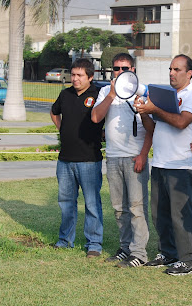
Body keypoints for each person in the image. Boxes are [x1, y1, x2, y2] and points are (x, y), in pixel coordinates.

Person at [135, 54, 192, 276]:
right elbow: (153, 127)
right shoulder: (166, 96)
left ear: (189, 73)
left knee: (181, 214)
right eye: (170, 69)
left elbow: (181, 122)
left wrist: (154, 110)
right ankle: (168, 252)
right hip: (161, 162)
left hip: (180, 164)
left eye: (177, 69)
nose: (172, 73)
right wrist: (144, 111)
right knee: (160, 212)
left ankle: (189, 260)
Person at [91, 53, 153, 268]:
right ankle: (125, 248)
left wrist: (143, 155)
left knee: (137, 208)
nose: (119, 72)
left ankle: (139, 254)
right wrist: (111, 94)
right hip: (114, 156)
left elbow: (152, 129)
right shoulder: (104, 91)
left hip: (135, 157)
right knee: (119, 208)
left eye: (124, 68)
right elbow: (96, 118)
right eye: (116, 68)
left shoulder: (144, 91)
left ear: (133, 70)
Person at [50, 58, 105, 258]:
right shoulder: (65, 95)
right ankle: (65, 240)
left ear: (90, 77)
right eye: (73, 75)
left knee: (91, 203)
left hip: (89, 159)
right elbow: (54, 112)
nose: (75, 79)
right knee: (66, 201)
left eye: (79, 75)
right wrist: (62, 129)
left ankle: (94, 244)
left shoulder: (98, 94)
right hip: (65, 159)